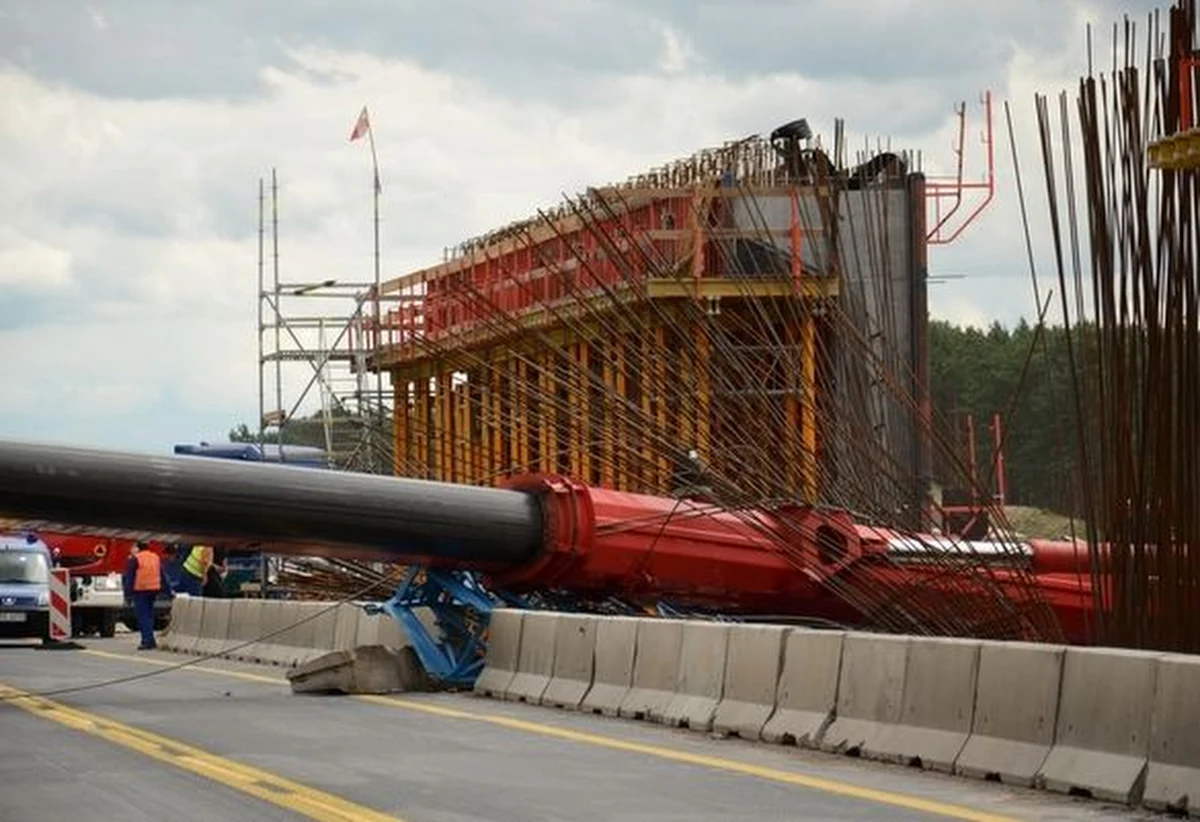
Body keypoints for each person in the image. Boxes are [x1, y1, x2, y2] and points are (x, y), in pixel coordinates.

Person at [122, 542, 171, 650]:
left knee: (143, 616)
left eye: (133, 547)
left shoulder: (135, 559)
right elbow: (162, 576)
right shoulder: (155, 557)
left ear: (138, 548)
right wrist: (169, 592)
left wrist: (127, 596)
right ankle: (151, 640)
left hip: (141, 590)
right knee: (149, 615)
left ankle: (147, 641)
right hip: (154, 590)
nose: (131, 549)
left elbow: (130, 579)